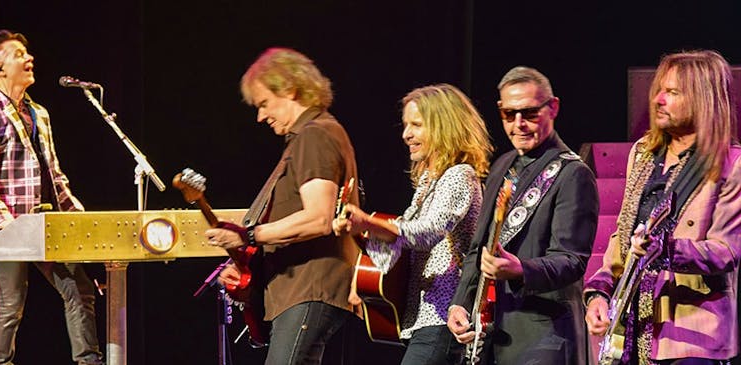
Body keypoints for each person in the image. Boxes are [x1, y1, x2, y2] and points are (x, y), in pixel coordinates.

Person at [584, 50, 741, 365]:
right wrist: (599, 292)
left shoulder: (731, 163)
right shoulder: (642, 155)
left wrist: (666, 249)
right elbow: (623, 236)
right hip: (634, 327)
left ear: (702, 99)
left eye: (673, 92)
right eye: (659, 90)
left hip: (691, 335)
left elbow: (727, 251)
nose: (658, 99)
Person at [206, 47, 359, 365]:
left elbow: (319, 218)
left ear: (290, 89)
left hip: (310, 287)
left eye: (264, 103)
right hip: (299, 291)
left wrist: (249, 236)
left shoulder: (315, 136)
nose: (261, 116)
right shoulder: (311, 136)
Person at [0, 30, 103, 365]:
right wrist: (7, 225)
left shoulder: (40, 113)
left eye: (27, 53)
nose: (29, 59)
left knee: (78, 289)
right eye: (19, 54)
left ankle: (89, 360)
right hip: (8, 226)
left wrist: (80, 219)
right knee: (11, 304)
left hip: (47, 222)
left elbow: (54, 175)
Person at [447, 66, 599, 364]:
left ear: (553, 107)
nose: (519, 124)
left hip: (546, 334)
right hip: (493, 332)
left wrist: (520, 270)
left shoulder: (573, 173)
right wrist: (460, 304)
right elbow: (478, 249)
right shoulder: (502, 166)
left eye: (529, 113)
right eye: (509, 114)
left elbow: (571, 260)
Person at [333, 83, 493, 364]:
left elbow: (427, 233)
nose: (406, 134)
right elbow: (399, 246)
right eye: (406, 125)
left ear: (444, 127)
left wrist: (368, 222)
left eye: (417, 125)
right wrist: (359, 233)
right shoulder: (428, 184)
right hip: (423, 319)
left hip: (445, 316)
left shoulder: (459, 176)